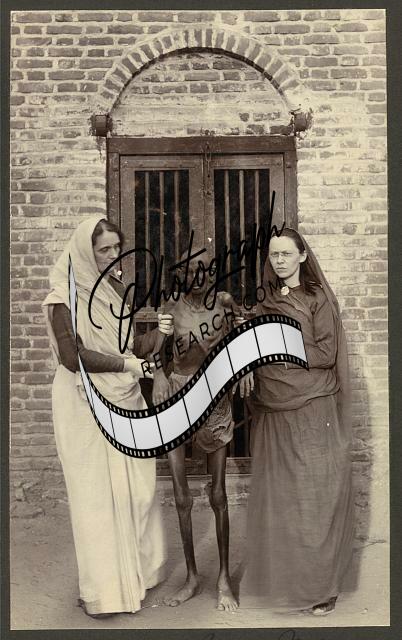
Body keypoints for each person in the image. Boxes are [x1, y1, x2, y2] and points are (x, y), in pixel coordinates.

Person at [43, 216, 173, 618]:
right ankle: (103, 592)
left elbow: (130, 346)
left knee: (137, 491)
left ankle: (136, 576)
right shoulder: (62, 298)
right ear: (86, 251)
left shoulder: (114, 289)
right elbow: (73, 357)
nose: (114, 256)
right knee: (97, 497)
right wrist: (128, 366)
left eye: (117, 248)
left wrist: (160, 334)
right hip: (84, 402)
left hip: (124, 396)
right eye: (104, 249)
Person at [242, 227, 354, 615]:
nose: (279, 261)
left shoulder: (317, 298)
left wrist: (280, 348)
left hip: (311, 408)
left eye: (286, 254)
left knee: (315, 497)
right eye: (274, 255)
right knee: (284, 499)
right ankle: (292, 583)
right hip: (275, 408)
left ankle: (323, 588)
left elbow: (326, 352)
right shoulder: (266, 300)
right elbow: (253, 344)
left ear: (302, 256)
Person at [153, 249, 253, 613]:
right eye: (191, 270)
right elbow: (154, 351)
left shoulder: (225, 304)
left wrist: (244, 369)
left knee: (219, 493)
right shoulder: (171, 307)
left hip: (214, 395)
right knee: (181, 496)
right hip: (177, 395)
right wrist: (159, 375)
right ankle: (192, 577)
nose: (199, 276)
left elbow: (243, 336)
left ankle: (224, 579)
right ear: (181, 275)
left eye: (205, 270)